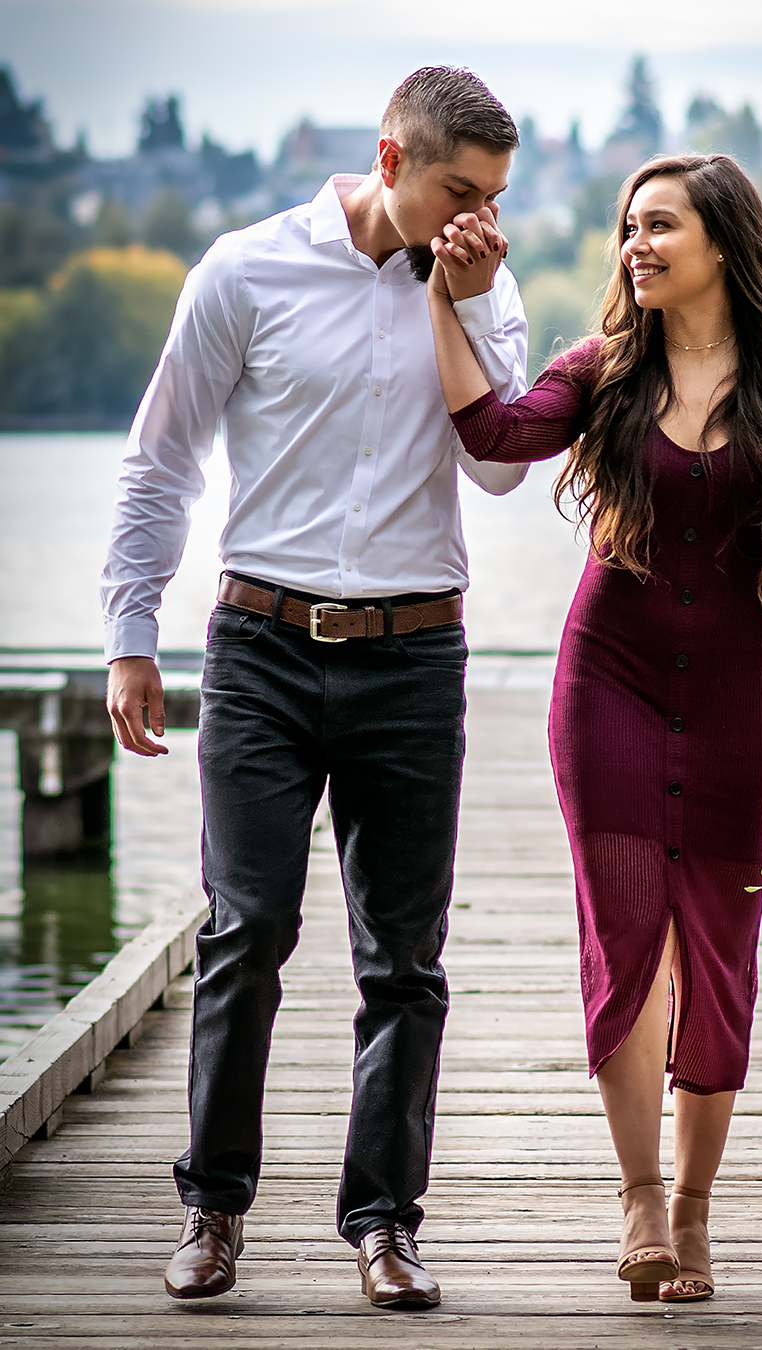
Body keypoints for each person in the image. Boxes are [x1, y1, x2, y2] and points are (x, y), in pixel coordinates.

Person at [426, 153, 762, 1302]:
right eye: (627, 228)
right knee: (630, 939)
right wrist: (442, 299)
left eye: (660, 228)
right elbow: (492, 433)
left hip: (740, 694)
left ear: (725, 246)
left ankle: (694, 1213)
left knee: (719, 955)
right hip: (609, 684)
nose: (635, 246)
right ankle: (639, 1199)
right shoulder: (603, 370)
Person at [101, 67, 527, 1310]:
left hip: (413, 654)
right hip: (261, 648)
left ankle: (386, 1227)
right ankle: (213, 1213)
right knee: (246, 934)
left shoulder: (484, 281)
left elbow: (500, 472)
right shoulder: (242, 271)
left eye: (497, 199)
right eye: (461, 191)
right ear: (390, 160)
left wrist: (474, 298)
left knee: (405, 960)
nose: (479, 219)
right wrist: (132, 632)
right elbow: (161, 461)